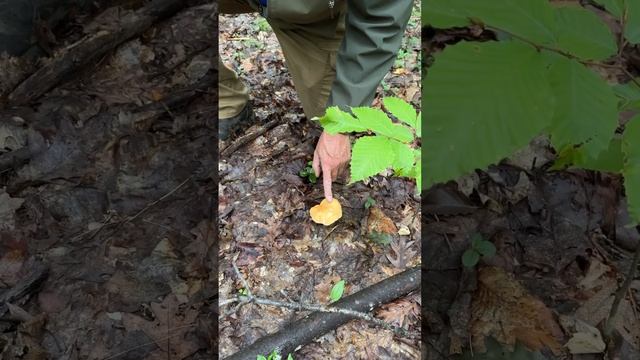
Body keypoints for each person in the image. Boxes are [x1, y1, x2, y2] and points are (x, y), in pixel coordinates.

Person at [219, 0, 413, 202]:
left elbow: (382, 17)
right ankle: (227, 99)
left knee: (326, 117)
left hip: (312, 14)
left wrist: (339, 124)